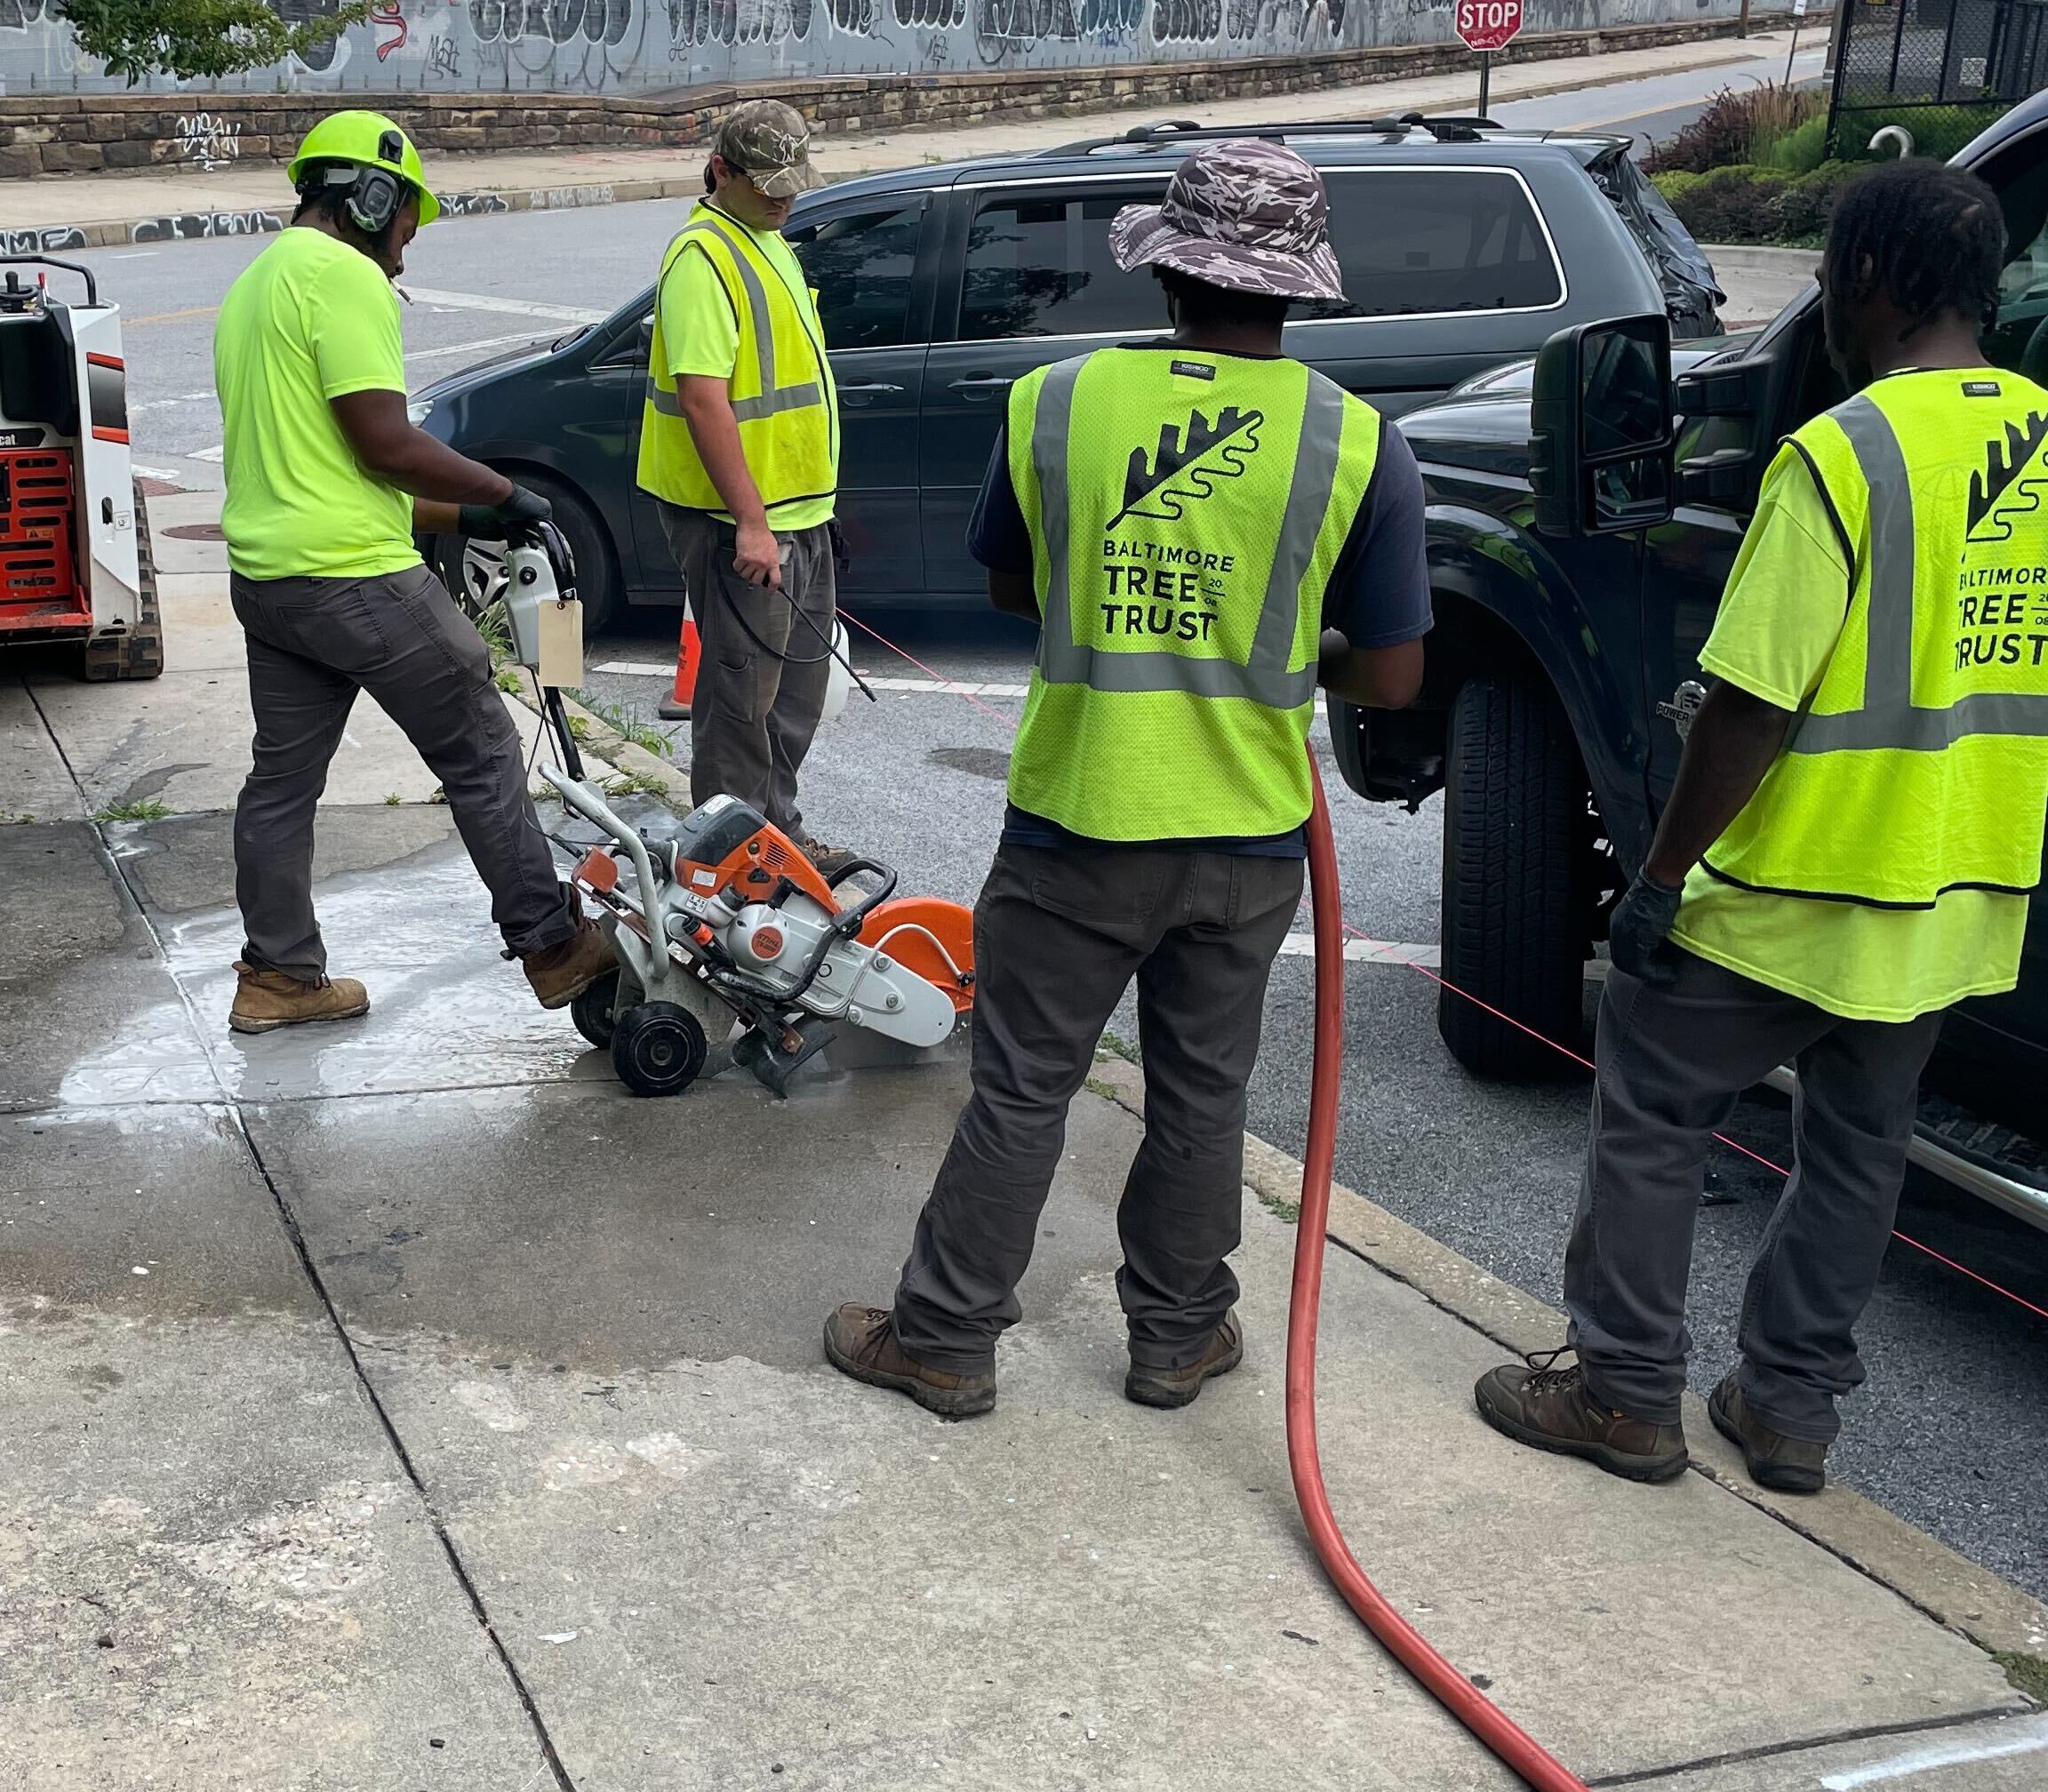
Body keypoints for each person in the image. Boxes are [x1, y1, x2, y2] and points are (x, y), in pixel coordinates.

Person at [824, 141, 1429, 1417]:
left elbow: (1009, 585)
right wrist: (1295, 643)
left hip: (1075, 824)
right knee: (1203, 1100)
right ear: (1295, 288)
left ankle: (941, 1340)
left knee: (1024, 1089)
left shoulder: (1059, 401)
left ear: (1169, 273)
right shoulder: (1359, 445)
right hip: (1247, 838)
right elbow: (1391, 677)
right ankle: (1178, 1335)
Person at [1476, 160, 2048, 1493]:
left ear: (1868, 281)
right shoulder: (2038, 436)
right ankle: (1789, 1411)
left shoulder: (1844, 456)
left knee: (1653, 1086)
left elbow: (1749, 708)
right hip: (1957, 887)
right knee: (1861, 1144)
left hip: (1803, 881)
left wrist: (1660, 879)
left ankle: (1623, 1391)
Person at [213, 110, 615, 1035]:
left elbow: (330, 463)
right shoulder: (344, 280)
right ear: (373, 195)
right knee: (479, 744)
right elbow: (385, 443)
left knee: (280, 783)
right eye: (407, 219)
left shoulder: (256, 283)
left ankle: (277, 974)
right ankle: (553, 946)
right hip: (355, 581)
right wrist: (507, 491)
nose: (406, 244)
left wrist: (472, 512)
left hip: (272, 583)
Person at [636, 100, 859, 880]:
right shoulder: (702, 259)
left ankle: (778, 843)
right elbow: (704, 397)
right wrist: (752, 523)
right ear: (721, 171)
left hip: (799, 513)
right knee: (741, 707)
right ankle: (730, 869)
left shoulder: (768, 241)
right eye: (766, 183)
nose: (783, 197)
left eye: (793, 183)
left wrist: (814, 505)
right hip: (744, 521)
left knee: (795, 694)